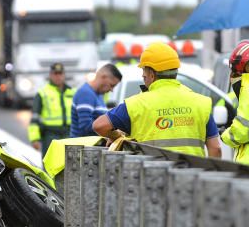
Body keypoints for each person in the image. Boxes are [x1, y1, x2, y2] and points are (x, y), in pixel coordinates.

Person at [92, 42, 222, 158]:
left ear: (151, 74)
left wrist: (117, 136)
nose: (143, 75)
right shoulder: (200, 102)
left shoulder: (135, 104)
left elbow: (99, 125)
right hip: (191, 178)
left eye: (144, 70)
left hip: (151, 179)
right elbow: (215, 149)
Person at [28, 63, 74, 157]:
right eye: (55, 74)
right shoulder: (42, 93)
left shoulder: (72, 92)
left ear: (64, 75)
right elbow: (34, 118)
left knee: (70, 167)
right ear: (50, 75)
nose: (58, 77)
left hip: (69, 134)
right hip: (50, 135)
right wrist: (34, 138)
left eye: (60, 74)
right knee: (50, 167)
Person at [70, 63, 122, 138]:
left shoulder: (98, 95)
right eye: (111, 85)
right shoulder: (86, 93)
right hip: (82, 147)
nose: (111, 90)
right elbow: (85, 126)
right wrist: (112, 131)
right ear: (104, 77)